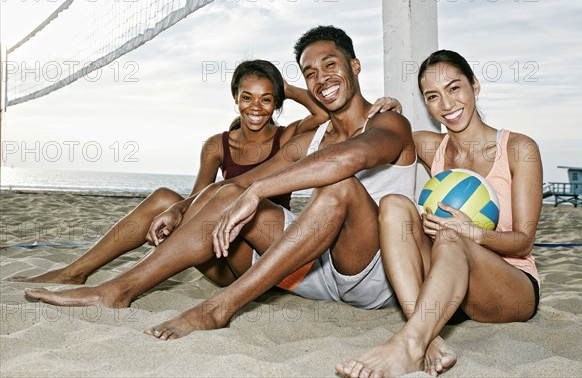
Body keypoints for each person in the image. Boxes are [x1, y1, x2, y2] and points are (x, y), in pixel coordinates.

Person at [24, 26, 417, 343]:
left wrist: (258, 192)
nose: (320, 78)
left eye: (329, 65)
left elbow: (354, 157)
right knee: (229, 191)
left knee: (340, 186)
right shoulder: (310, 140)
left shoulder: (389, 123)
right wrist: (182, 206)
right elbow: (244, 180)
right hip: (313, 273)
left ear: (355, 65)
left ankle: (219, 308)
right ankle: (118, 290)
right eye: (309, 73)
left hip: (371, 276)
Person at [11, 59, 398, 286]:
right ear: (235, 99)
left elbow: (323, 112)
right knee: (167, 197)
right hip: (215, 247)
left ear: (276, 103)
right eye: (247, 97)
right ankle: (75, 272)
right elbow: (200, 194)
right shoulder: (217, 143)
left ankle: (119, 283)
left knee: (229, 195)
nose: (256, 107)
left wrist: (286, 86)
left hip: (257, 249)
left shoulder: (290, 136)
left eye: (266, 99)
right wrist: (174, 214)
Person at [336, 50, 542, 377]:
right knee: (393, 204)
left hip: (508, 285)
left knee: (449, 234)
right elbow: (370, 140)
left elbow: (523, 243)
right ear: (427, 104)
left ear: (474, 85)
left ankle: (410, 344)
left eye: (454, 88)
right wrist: (388, 115)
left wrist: (473, 233)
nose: (446, 104)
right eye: (433, 96)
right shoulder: (430, 146)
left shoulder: (518, 149)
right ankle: (428, 338)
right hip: (447, 287)